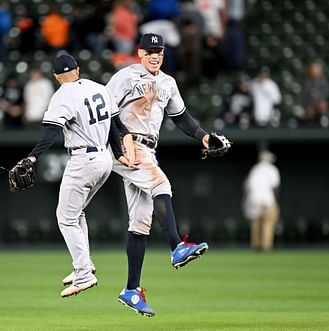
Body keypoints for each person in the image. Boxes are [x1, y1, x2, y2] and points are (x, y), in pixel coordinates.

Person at [105, 33, 211, 317]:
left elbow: (181, 117)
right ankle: (177, 246)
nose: (154, 55)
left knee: (140, 223)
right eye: (149, 50)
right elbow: (105, 110)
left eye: (159, 51)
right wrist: (121, 140)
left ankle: (131, 290)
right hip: (127, 145)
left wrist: (202, 136)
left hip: (149, 149)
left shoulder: (168, 82)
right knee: (161, 183)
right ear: (139, 52)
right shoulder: (126, 77)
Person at [13, 54, 135, 298]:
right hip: (104, 159)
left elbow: (51, 132)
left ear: (57, 77)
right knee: (76, 213)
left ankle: (84, 273)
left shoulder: (63, 94)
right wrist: (120, 154)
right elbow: (115, 126)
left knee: (65, 218)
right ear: (77, 70)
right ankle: (85, 264)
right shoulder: (99, 88)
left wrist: (32, 157)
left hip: (83, 159)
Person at [242, 150, 280, 251]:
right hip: (268, 199)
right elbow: (275, 186)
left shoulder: (255, 169)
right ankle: (266, 246)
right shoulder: (272, 169)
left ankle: (256, 245)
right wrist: (276, 200)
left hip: (254, 199)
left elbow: (248, 186)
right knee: (268, 223)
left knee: (256, 224)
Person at [301, 61, 329, 127]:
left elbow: (325, 93)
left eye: (316, 69)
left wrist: (318, 96)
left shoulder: (323, 81)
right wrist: (312, 96)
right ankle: (308, 122)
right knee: (308, 109)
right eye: (313, 69)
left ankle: (323, 119)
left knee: (322, 104)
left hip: (319, 101)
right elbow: (304, 94)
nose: (315, 71)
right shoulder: (307, 81)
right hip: (310, 102)